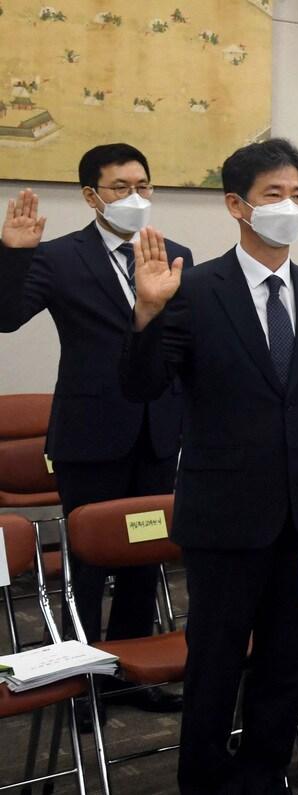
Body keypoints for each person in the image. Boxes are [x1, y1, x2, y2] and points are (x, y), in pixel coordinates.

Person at [121, 138, 298, 791]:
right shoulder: (193, 289)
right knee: (214, 663)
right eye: (274, 195)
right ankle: (204, 777)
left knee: (284, 660)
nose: (289, 208)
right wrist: (146, 314)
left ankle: (264, 772)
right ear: (236, 205)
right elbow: (140, 386)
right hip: (223, 517)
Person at [0, 144, 190, 719]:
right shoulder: (57, 257)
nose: (135, 197)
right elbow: (6, 317)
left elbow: (182, 339)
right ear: (91, 196)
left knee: (143, 556)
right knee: (90, 562)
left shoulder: (173, 253)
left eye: (144, 185)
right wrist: (12, 256)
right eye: (120, 187)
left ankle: (128, 679)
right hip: (91, 434)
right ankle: (80, 684)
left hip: (157, 430)